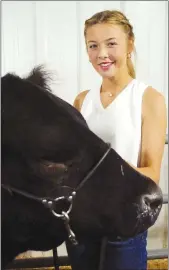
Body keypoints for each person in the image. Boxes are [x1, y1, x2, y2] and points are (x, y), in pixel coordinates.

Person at [66, 10, 167, 270]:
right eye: (93, 46)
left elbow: (151, 173)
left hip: (124, 222)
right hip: (83, 223)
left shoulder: (148, 99)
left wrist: (96, 173)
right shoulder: (81, 100)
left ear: (130, 44)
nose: (101, 54)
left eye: (111, 43)